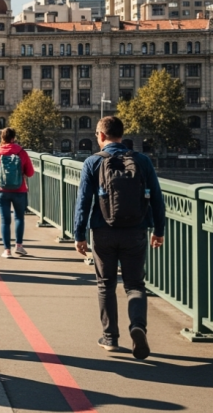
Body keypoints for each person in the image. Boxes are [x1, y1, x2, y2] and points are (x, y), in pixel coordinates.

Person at [73, 116, 165, 360]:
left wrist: (79, 234)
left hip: (103, 230)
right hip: (136, 230)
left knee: (106, 284)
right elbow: (156, 197)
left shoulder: (93, 162)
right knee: (135, 285)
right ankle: (137, 326)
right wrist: (159, 230)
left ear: (101, 136)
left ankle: (110, 338)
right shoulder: (142, 160)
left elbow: (83, 202)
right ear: (122, 136)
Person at [0, 128, 36, 258]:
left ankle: (7, 250)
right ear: (13, 138)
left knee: (5, 220)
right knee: (19, 218)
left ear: (2, 138)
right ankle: (19, 246)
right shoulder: (21, 152)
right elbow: (30, 173)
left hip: (1, 190)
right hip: (19, 190)